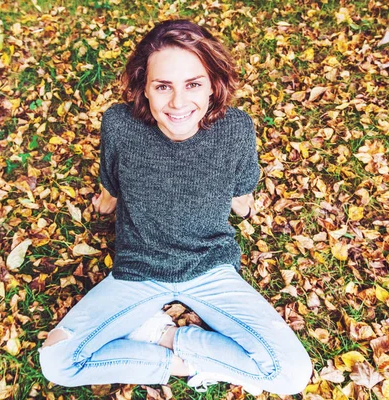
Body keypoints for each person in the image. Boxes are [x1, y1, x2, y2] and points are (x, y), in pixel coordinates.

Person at [38, 19, 312, 395]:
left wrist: (244, 206)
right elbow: (110, 189)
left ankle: (165, 338)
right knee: (57, 361)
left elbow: (241, 199)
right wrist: (103, 206)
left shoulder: (236, 129)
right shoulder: (119, 124)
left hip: (211, 270)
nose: (179, 103)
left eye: (193, 84)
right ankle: (177, 357)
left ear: (214, 85)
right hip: (138, 273)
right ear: (144, 88)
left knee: (293, 374)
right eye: (163, 86)